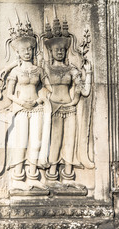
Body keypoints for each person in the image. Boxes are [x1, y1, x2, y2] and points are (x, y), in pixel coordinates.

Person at [1, 15, 52, 191]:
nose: (27, 52)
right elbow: (9, 93)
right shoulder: (15, 71)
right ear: (18, 53)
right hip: (21, 109)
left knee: (35, 142)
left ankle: (32, 175)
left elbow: (48, 88)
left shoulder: (39, 70)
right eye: (24, 50)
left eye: (30, 49)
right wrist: (21, 102)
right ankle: (17, 177)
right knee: (21, 141)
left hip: (36, 108)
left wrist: (39, 100)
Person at [42, 16, 93, 184]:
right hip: (54, 108)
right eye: (56, 49)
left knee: (70, 141)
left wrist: (89, 72)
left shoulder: (72, 69)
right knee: (55, 141)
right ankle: (52, 173)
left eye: (62, 49)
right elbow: (40, 87)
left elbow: (84, 90)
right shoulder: (46, 68)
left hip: (70, 108)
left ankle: (69, 174)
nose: (59, 52)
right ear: (50, 51)